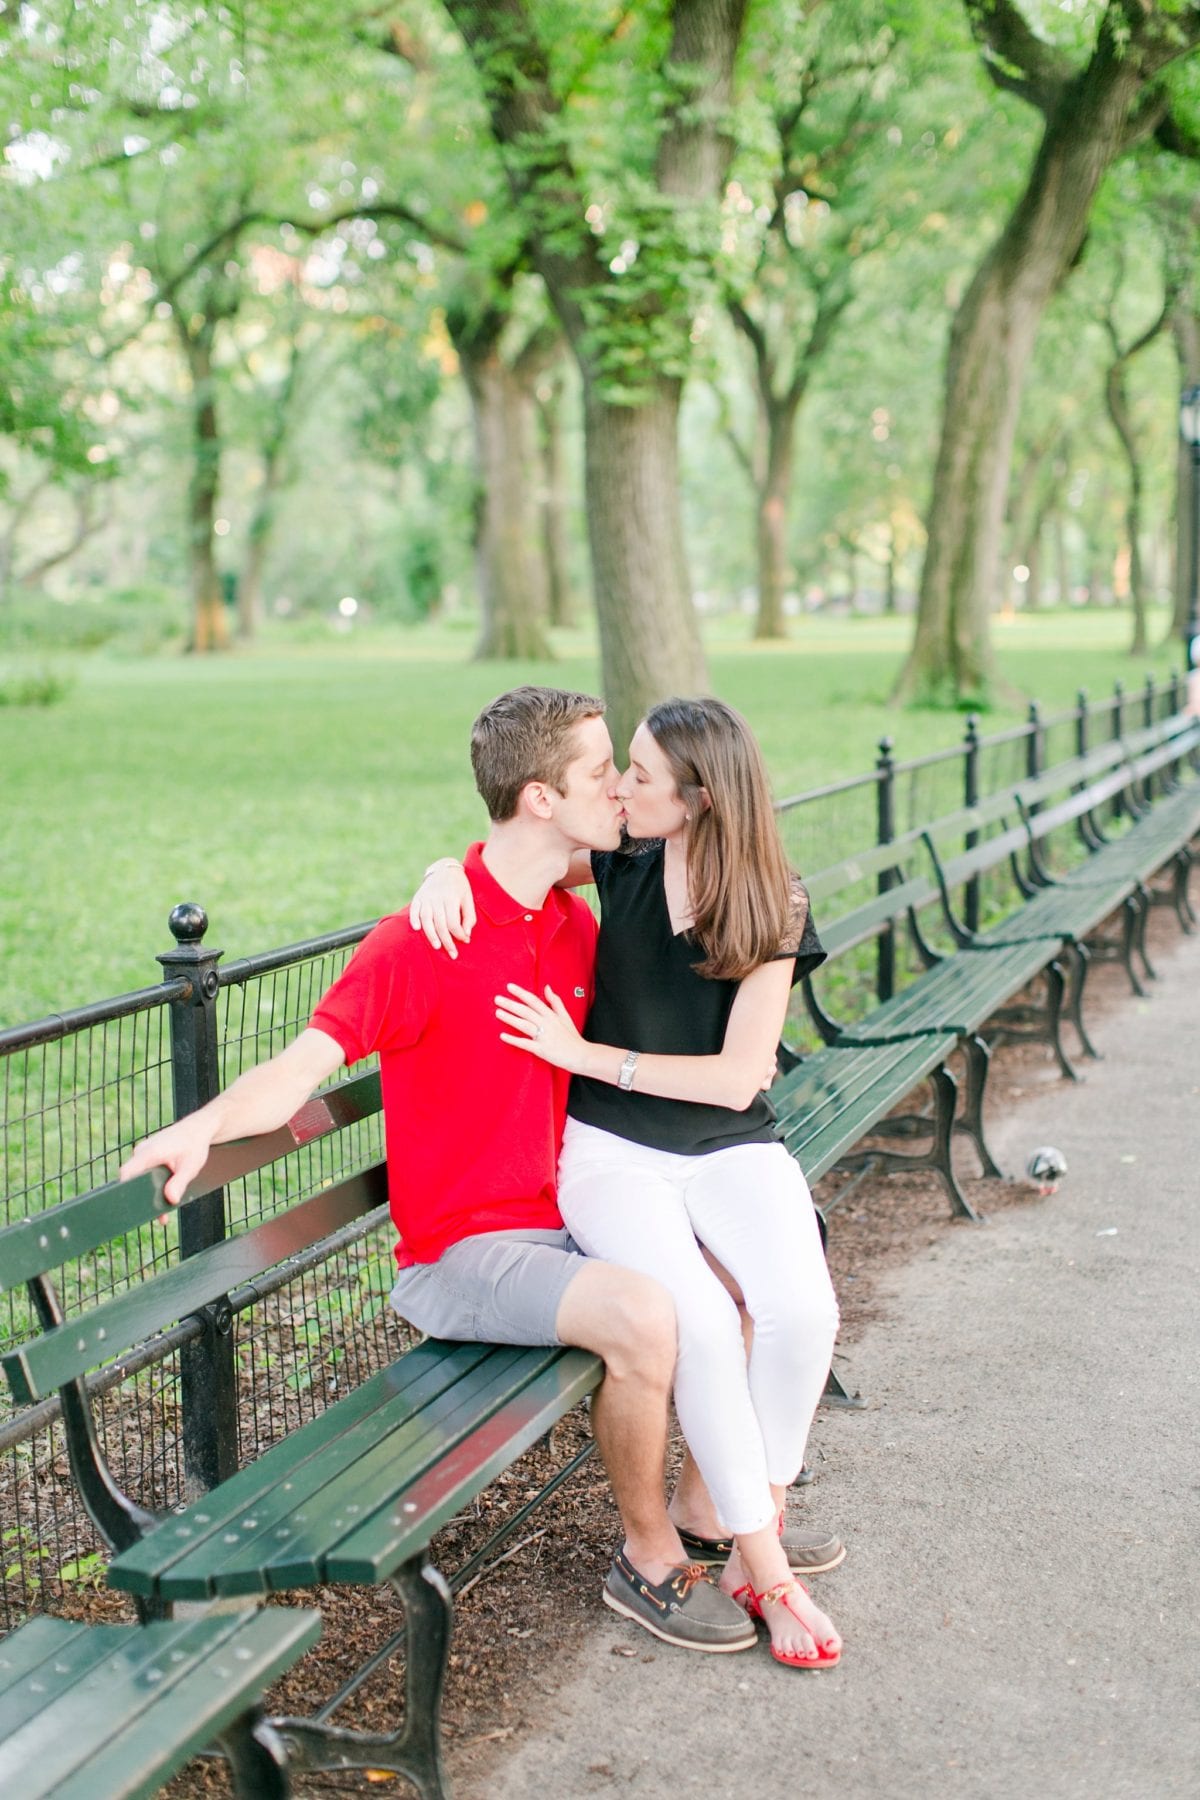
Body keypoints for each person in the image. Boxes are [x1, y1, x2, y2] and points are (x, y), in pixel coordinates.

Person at [119, 686, 757, 1657]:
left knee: (738, 1278)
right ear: (541, 799)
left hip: (567, 1220)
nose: (620, 794)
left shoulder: (571, 922)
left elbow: (677, 856)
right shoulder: (421, 943)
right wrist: (202, 1125)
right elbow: (300, 1068)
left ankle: (717, 1515)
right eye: (598, 774)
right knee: (644, 1315)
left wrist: (449, 860)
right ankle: (648, 1557)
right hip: (464, 1254)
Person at [410, 696, 843, 1671]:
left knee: (802, 1312)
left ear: (694, 798)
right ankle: (764, 1565)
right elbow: (510, 855)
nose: (617, 788)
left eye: (638, 776)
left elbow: (739, 1079)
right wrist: (442, 871)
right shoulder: (621, 857)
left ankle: (744, 1512)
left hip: (729, 1141)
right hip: (611, 1153)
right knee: (691, 1312)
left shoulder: (775, 899)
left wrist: (587, 1052)